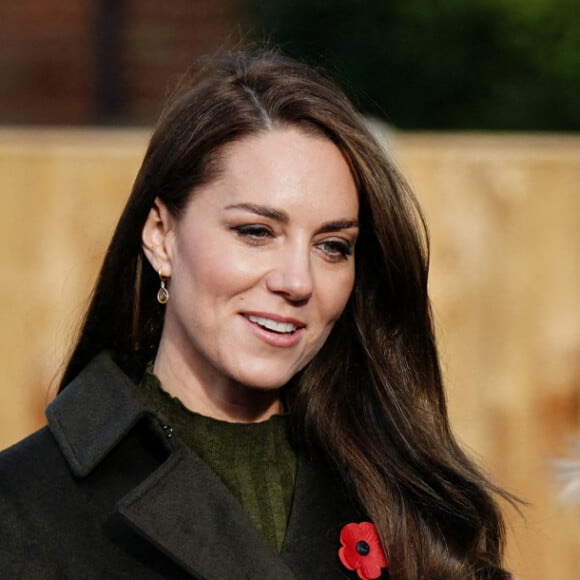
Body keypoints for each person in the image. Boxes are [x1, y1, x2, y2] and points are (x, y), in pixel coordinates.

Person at [0, 48, 515, 579]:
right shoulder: (24, 507)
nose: (297, 281)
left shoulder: (420, 509)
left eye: (333, 246)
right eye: (256, 232)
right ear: (161, 235)